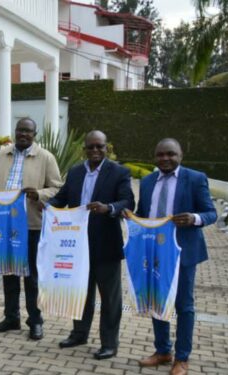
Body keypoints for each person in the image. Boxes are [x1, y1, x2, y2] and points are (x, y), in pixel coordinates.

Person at [47, 130, 134, 360]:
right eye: (91, 147)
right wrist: (46, 205)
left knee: (110, 298)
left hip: (106, 246)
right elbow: (62, 197)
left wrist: (108, 208)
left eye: (100, 146)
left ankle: (109, 343)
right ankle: (79, 334)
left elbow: (128, 201)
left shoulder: (119, 172)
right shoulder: (75, 172)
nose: (95, 151)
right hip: (76, 247)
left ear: (107, 148)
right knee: (80, 293)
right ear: (84, 149)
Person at [133, 138, 216, 375]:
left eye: (170, 154)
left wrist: (194, 218)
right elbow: (143, 214)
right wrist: (132, 219)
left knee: (183, 306)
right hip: (154, 252)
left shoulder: (195, 178)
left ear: (180, 155)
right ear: (155, 157)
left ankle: (182, 358)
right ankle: (162, 352)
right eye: (160, 155)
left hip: (183, 253)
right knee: (157, 301)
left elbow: (211, 213)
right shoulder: (148, 181)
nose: (165, 159)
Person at [0, 118, 62, 340]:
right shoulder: (2, 155)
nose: (23, 134)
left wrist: (38, 194)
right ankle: (11, 318)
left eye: (28, 131)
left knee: (31, 277)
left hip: (31, 225)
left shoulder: (45, 157)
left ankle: (35, 321)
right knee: (9, 272)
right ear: (15, 131)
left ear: (34, 133)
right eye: (20, 130)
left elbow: (58, 188)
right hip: (4, 224)